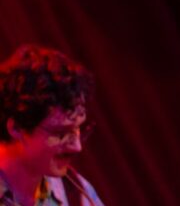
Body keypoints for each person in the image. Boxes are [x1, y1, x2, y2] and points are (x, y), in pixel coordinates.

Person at [0, 45, 103, 206]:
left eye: (79, 129)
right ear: (16, 128)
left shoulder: (77, 193)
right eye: (61, 133)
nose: (77, 147)